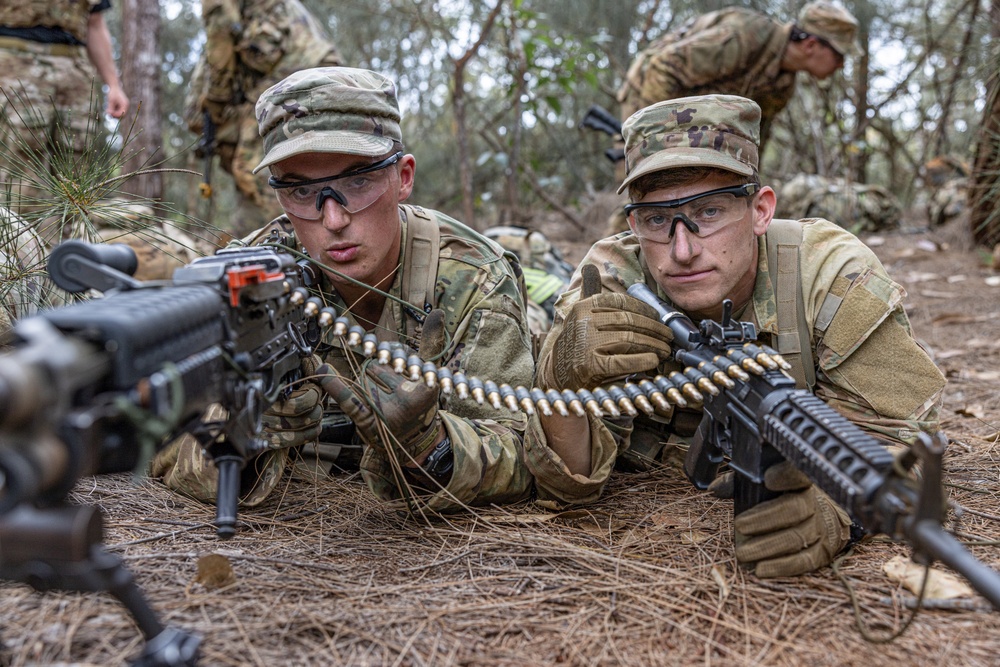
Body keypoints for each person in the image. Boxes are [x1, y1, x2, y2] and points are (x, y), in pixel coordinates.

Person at [525, 94, 947, 579]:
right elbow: (565, 484)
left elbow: (901, 441)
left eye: (708, 213)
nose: (682, 250)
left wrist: (836, 515)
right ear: (633, 224)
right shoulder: (612, 278)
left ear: (760, 210)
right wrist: (561, 381)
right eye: (657, 220)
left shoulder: (828, 276)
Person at [153, 66, 536, 511]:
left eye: (358, 182)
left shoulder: (472, 275)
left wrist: (429, 446)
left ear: (404, 177)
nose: (333, 220)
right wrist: (244, 434)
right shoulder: (248, 279)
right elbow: (160, 443)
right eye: (300, 191)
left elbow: (520, 452)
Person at [604, 1, 860, 236]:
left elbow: (753, 137)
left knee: (703, 190)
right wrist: (660, 139)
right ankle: (616, 259)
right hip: (652, 96)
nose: (840, 65)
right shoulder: (745, 35)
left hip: (701, 117)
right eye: (839, 56)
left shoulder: (782, 85)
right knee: (649, 187)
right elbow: (662, 69)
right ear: (811, 45)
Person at [190, 0, 343, 235]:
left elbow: (220, 40)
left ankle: (297, 242)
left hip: (294, 78)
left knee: (251, 168)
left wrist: (215, 102)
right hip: (321, 74)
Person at [0, 0, 129, 218]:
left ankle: (68, 248)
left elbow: (95, 23)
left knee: (77, 168)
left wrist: (114, 84)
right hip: (13, 59)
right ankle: (14, 247)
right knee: (20, 161)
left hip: (74, 68)